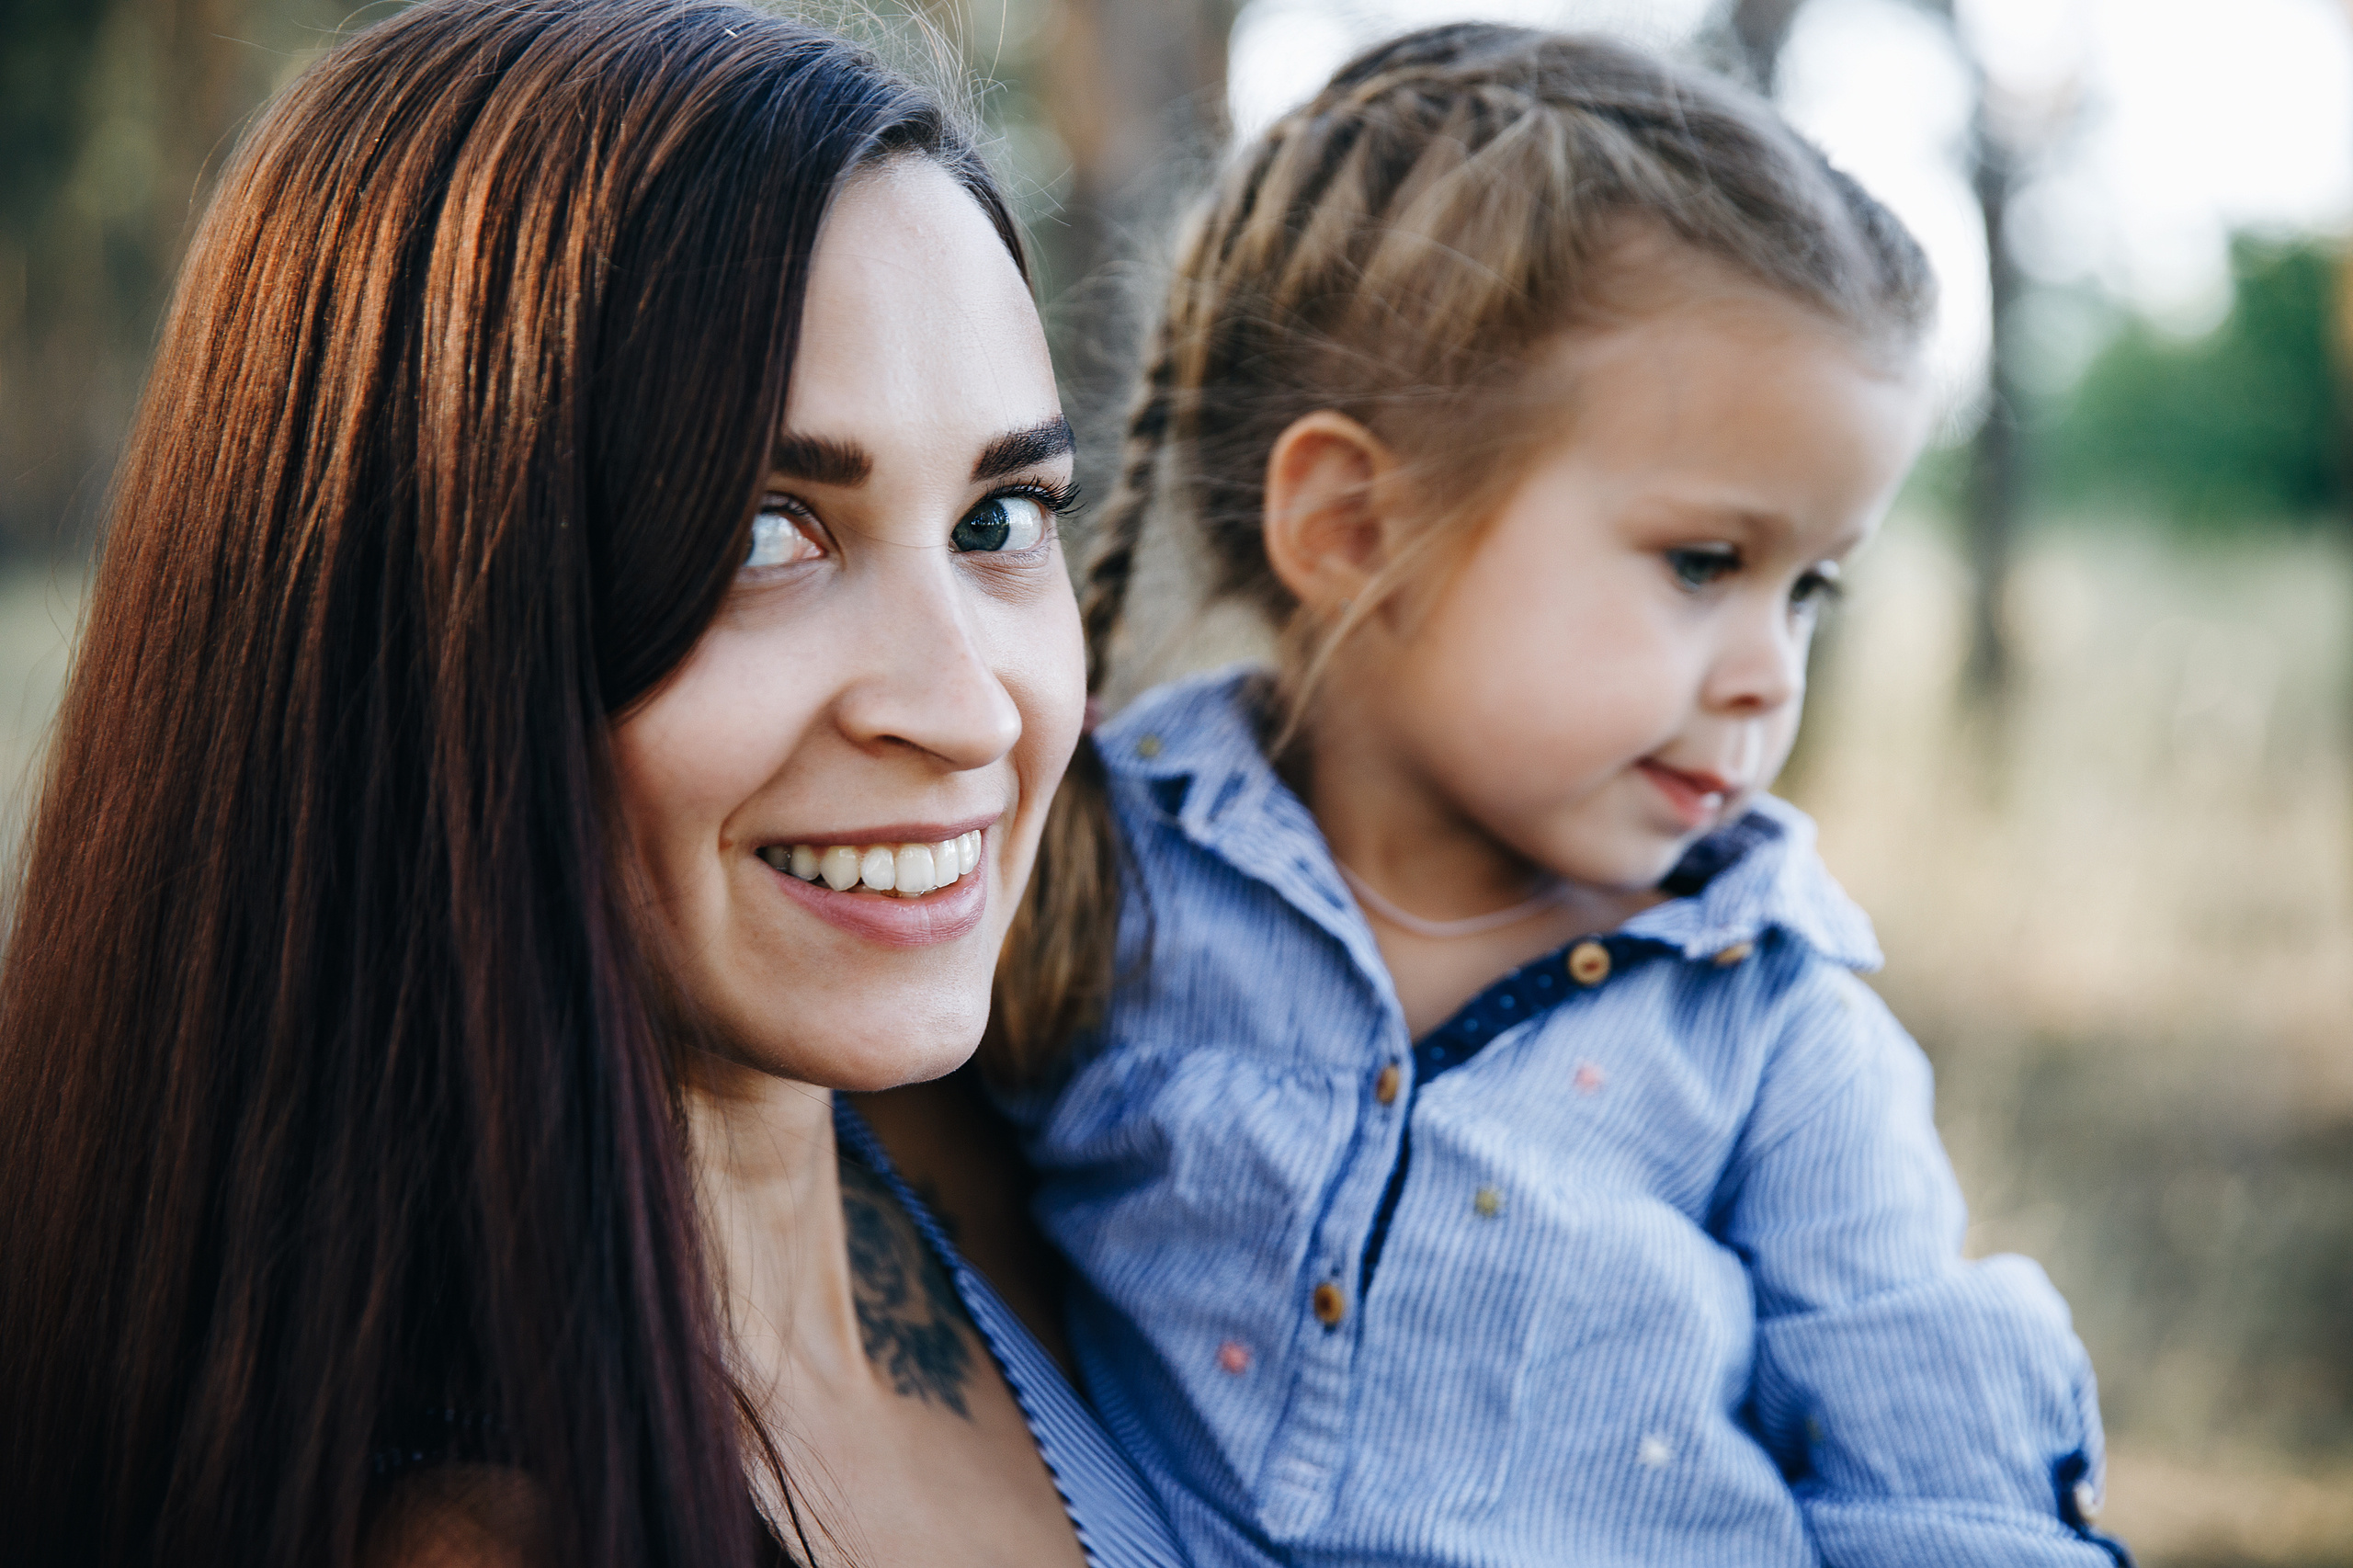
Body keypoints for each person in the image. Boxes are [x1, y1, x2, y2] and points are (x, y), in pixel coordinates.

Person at [0, 4, 1187, 1565]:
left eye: (1000, 518)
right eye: (768, 531)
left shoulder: (1080, 1163)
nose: (966, 710)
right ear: (417, 619)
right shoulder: (477, 1530)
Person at [989, 23, 2134, 1568]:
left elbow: (1936, 1493)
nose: (1765, 675)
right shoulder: (1093, 866)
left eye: (1811, 592)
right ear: (1348, 523)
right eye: (1704, 563)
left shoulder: (1767, 1027)